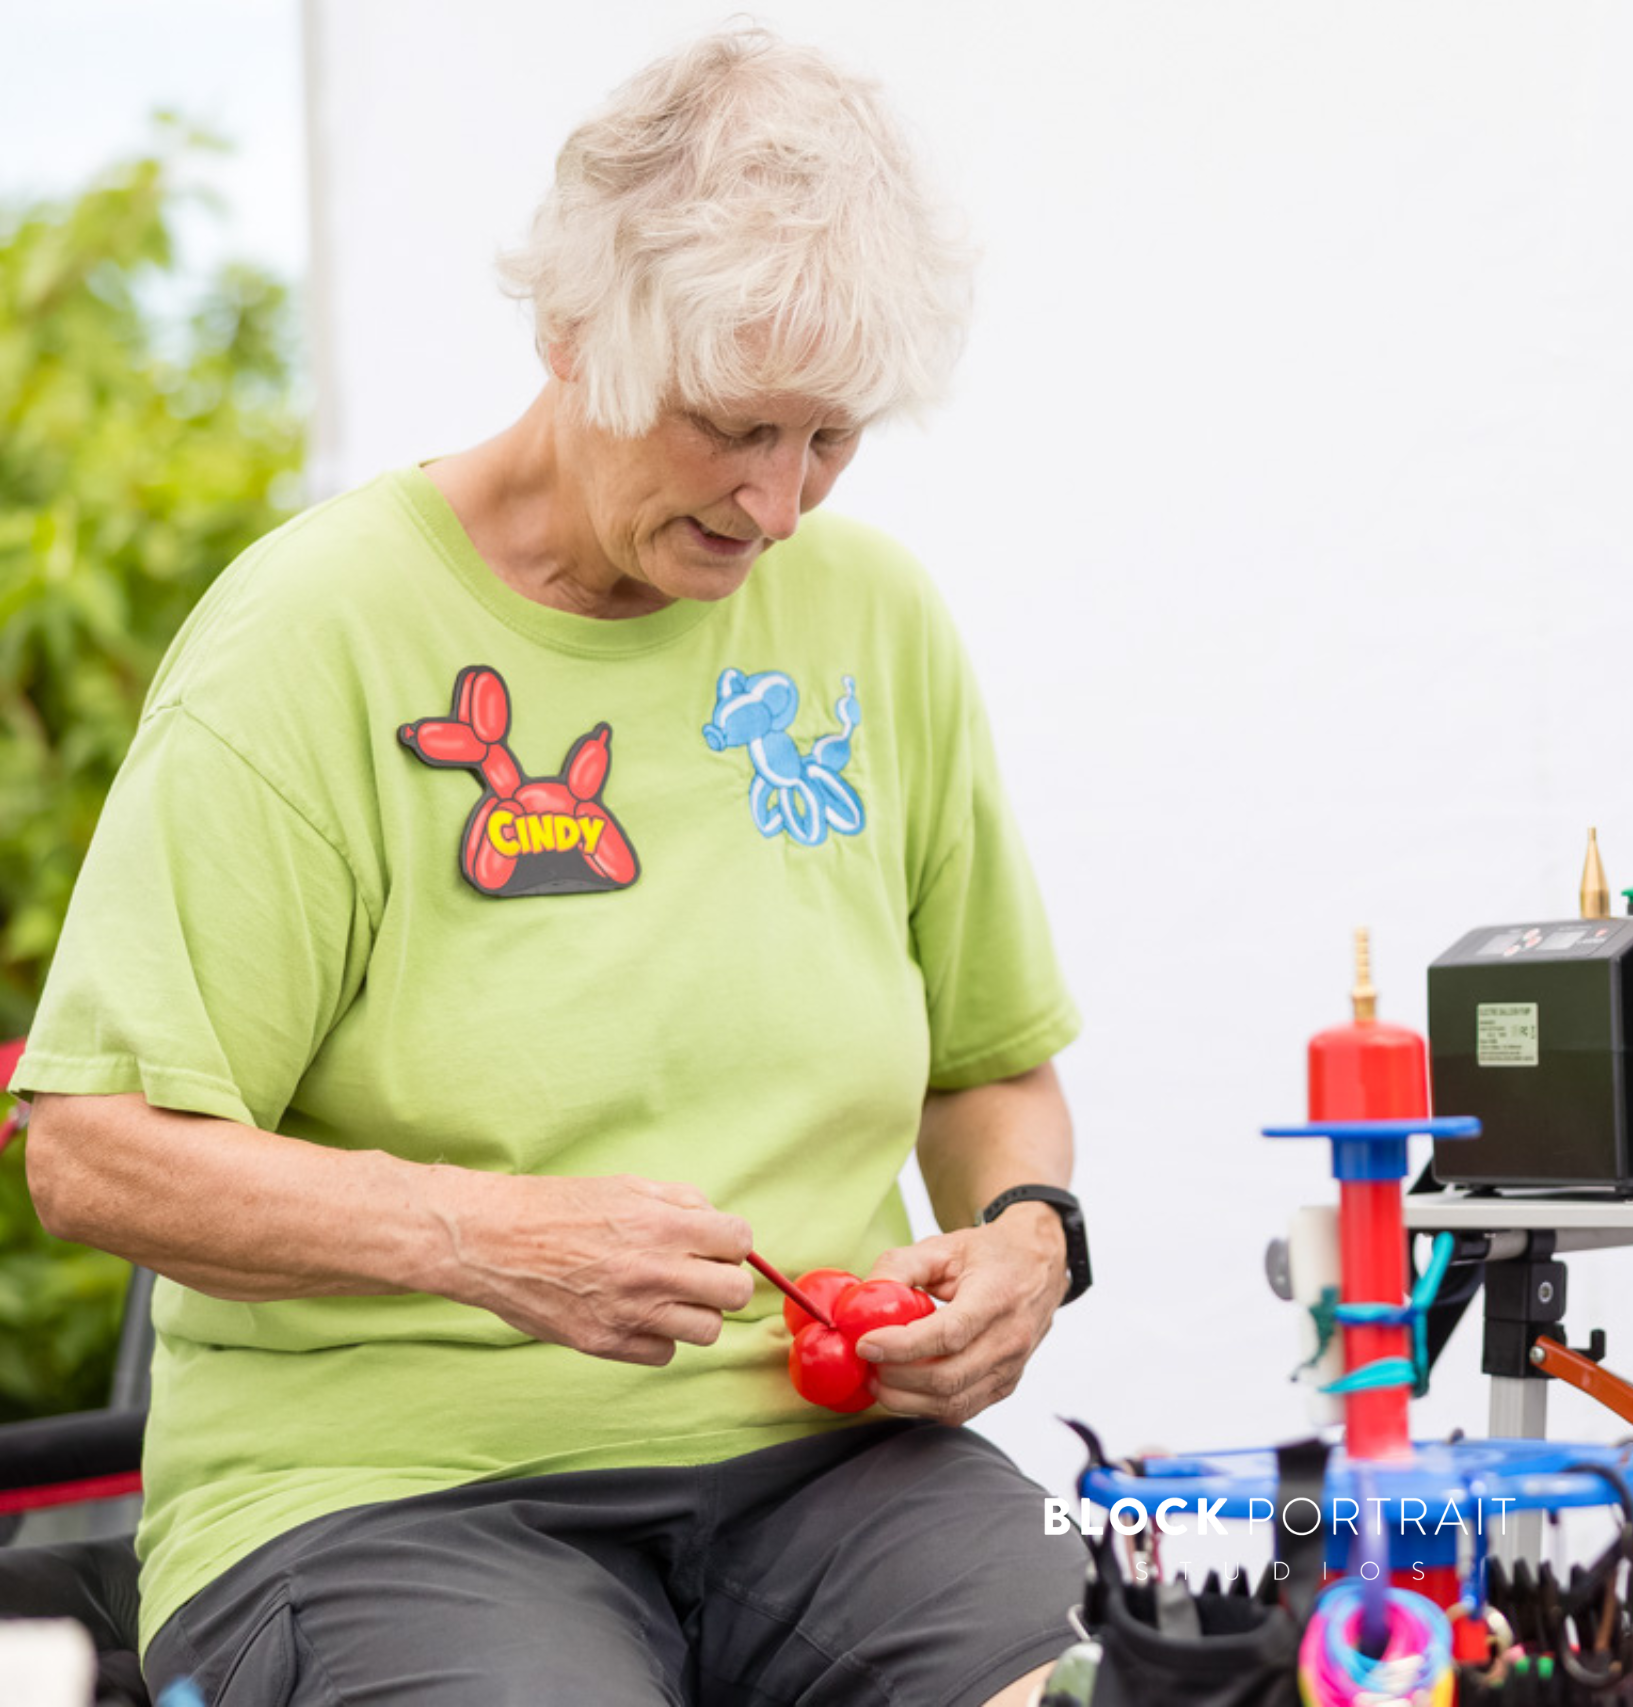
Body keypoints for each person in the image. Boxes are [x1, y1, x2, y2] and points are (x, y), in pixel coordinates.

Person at [9, 28, 1095, 1706]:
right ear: (572, 330)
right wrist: (478, 1236)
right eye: (732, 426)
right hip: (381, 1498)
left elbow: (991, 1069)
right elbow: (92, 1153)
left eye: (831, 440)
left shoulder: (874, 621)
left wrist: (1027, 1236)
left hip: (826, 1472)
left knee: (1151, 1674)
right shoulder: (313, 640)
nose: (780, 504)